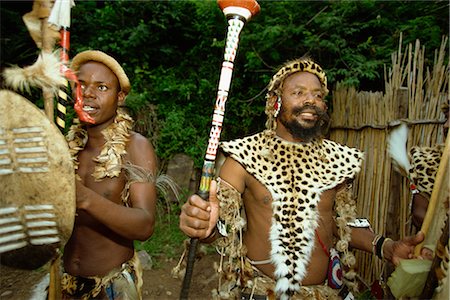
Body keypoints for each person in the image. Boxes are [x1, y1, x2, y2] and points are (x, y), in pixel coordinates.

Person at [179, 56, 424, 299]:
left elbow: (340, 225)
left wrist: (387, 247)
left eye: (318, 95)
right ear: (275, 102)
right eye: (298, 92)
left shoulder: (335, 160)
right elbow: (222, 226)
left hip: (326, 293)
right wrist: (203, 225)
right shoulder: (244, 158)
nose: (311, 100)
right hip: (263, 292)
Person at [62, 50, 157, 299]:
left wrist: (84, 198)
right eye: (81, 85)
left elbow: (145, 224)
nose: (89, 94)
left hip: (111, 287)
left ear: (120, 96)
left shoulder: (135, 147)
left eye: (102, 87)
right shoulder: (63, 147)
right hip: (65, 283)